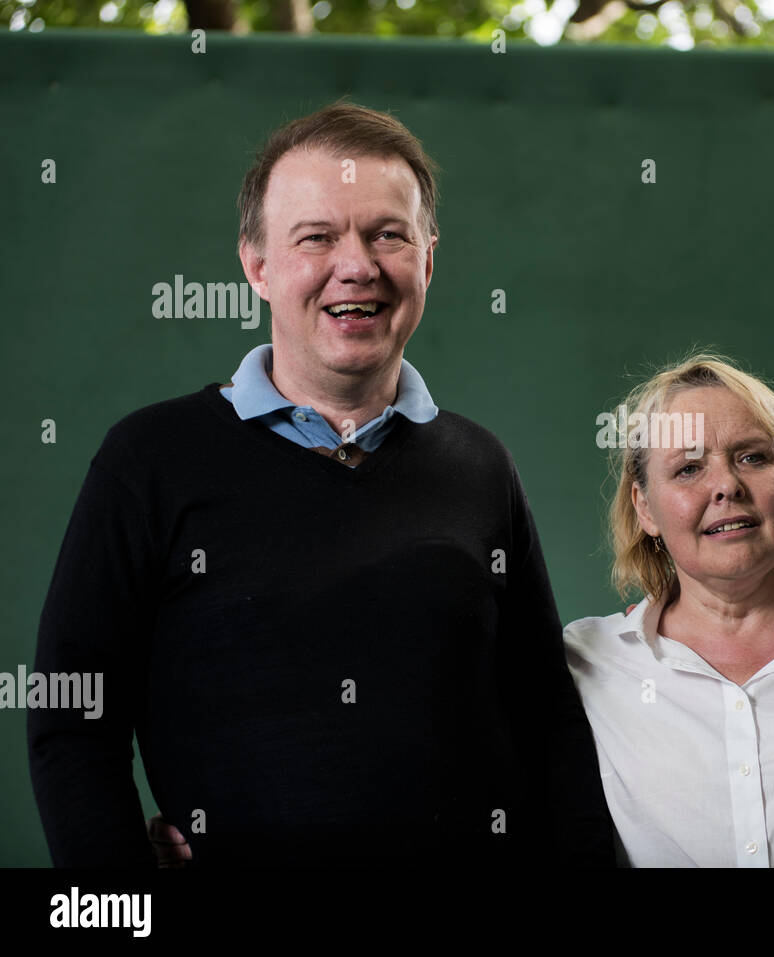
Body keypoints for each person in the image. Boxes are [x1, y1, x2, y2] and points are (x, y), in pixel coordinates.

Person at [28, 103, 613, 867]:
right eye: (317, 237)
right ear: (258, 266)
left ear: (427, 260)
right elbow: (71, 720)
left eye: (387, 235)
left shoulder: (480, 466)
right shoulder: (149, 459)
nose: (358, 265)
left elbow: (547, 722)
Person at [563, 355, 774, 866]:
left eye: (753, 457)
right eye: (689, 468)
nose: (727, 486)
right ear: (645, 508)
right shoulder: (586, 666)